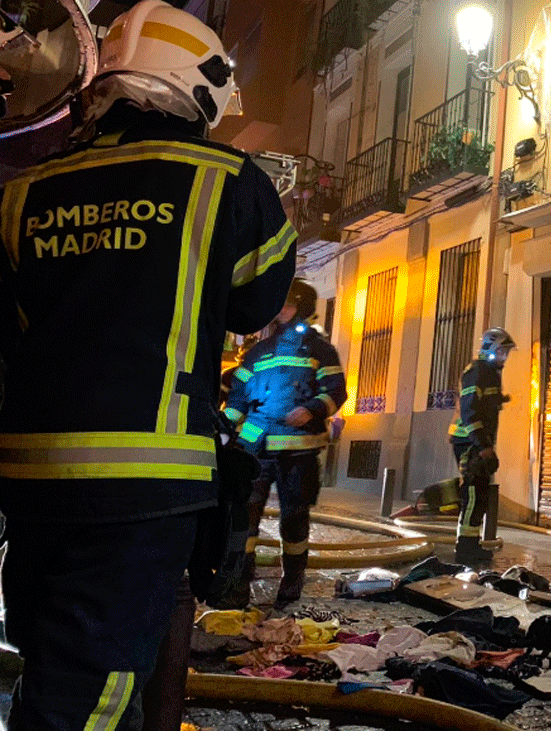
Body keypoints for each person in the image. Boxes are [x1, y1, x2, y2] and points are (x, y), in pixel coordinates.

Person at [0, 1, 294, 728]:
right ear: (199, 88)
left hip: (31, 482)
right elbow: (256, 302)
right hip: (144, 484)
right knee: (87, 693)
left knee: (52, 660)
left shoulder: (24, 192)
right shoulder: (228, 180)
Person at [222, 278, 346, 607]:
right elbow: (238, 397)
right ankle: (238, 588)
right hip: (255, 449)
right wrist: (225, 427)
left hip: (298, 451)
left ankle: (291, 585)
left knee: (294, 519)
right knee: (243, 519)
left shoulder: (320, 350)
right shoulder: (259, 350)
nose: (279, 308)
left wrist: (311, 410)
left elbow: (336, 391)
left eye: (287, 303)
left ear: (301, 306)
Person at [449, 327, 514, 564]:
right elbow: (469, 411)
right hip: (469, 442)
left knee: (480, 494)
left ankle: (471, 544)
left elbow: (483, 403)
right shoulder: (477, 372)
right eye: (502, 352)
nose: (504, 357)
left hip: (477, 441)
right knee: (473, 494)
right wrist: (483, 446)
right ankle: (465, 548)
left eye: (506, 353)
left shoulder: (489, 373)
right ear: (489, 349)